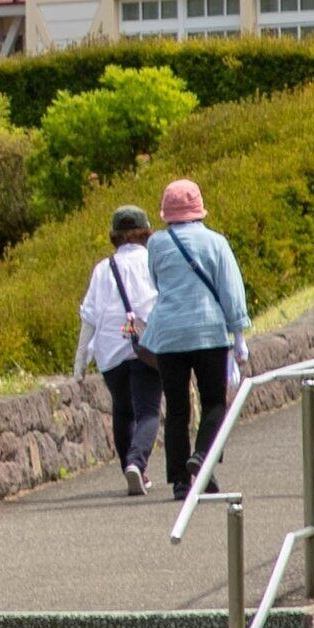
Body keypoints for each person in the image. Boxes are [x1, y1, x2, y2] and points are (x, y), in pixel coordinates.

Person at [140, 178, 253, 501]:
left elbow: (157, 282)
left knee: (176, 408)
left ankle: (179, 480)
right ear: (199, 208)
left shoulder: (157, 244)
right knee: (214, 401)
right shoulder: (215, 242)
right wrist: (239, 334)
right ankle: (202, 457)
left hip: (169, 334)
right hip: (208, 332)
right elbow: (231, 290)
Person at [76, 204, 160, 495]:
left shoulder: (103, 268)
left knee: (123, 411)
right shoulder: (153, 261)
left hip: (110, 349)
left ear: (115, 236)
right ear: (146, 231)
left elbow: (88, 316)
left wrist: (80, 361)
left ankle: (130, 468)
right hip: (146, 346)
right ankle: (137, 463)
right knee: (148, 410)